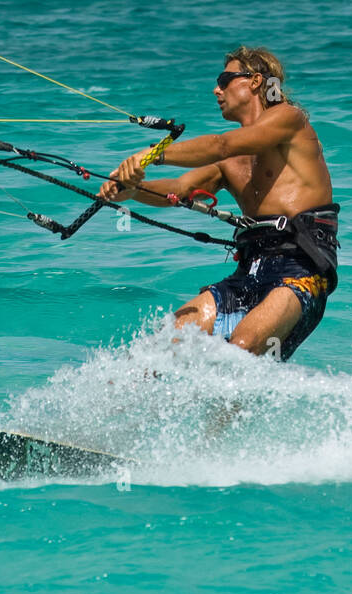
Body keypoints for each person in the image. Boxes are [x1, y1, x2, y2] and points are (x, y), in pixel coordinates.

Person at [101, 47, 338, 361]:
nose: (216, 89)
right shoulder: (232, 162)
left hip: (301, 272)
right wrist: (131, 189)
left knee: (241, 350)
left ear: (255, 82)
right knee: (163, 344)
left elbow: (220, 144)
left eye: (225, 79)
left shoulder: (289, 118)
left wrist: (150, 155)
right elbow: (180, 189)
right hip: (250, 271)